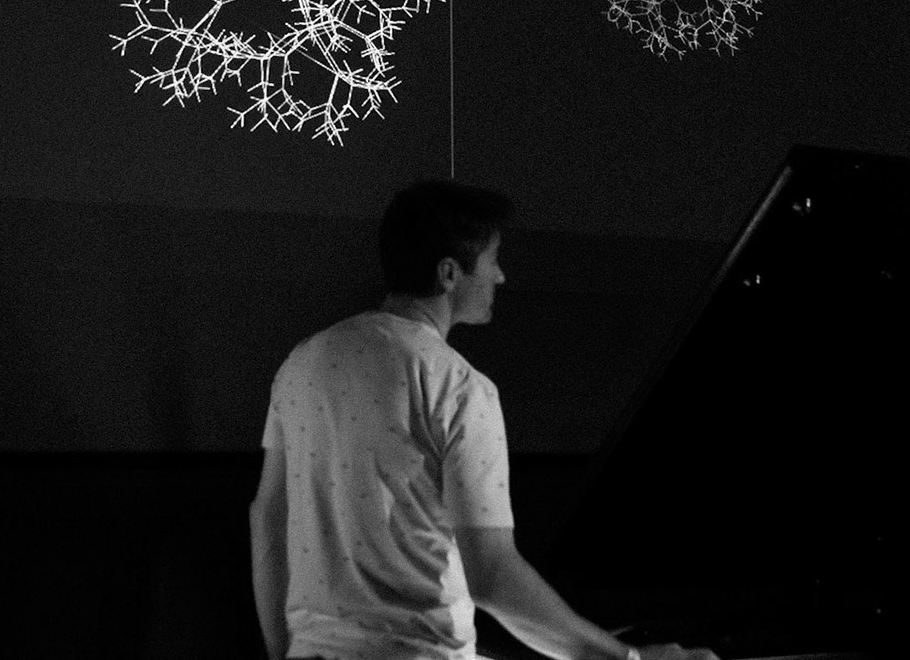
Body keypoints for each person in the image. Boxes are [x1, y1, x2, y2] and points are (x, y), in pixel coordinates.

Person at [250, 180, 719, 660]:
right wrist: (631, 659)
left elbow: (267, 520)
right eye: (494, 260)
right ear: (450, 273)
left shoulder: (301, 363)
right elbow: (492, 577)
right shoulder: (458, 386)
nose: (500, 277)